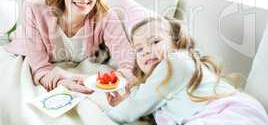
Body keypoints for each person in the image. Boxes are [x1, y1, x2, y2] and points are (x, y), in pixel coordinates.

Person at [0, 0, 136, 125]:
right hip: (31, 57)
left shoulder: (106, 16)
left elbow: (128, 62)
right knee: (20, 102)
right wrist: (63, 81)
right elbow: (40, 68)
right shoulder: (35, 8)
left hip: (75, 67)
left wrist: (117, 84)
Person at [105, 17, 268, 125]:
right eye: (139, 49)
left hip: (231, 113)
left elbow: (131, 109)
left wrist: (104, 113)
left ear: (176, 43)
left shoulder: (176, 61)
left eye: (154, 41)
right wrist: (127, 99)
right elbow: (140, 103)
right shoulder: (155, 84)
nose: (146, 51)